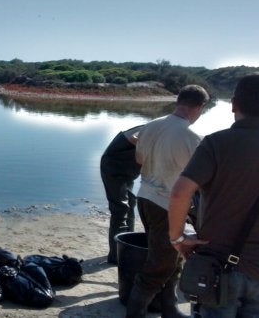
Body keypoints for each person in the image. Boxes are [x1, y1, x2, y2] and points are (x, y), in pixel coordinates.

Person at [168, 74, 259, 317]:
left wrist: (177, 238)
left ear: (233, 104)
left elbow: (179, 194)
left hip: (217, 265)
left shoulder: (216, 143)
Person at [126, 84, 209, 318]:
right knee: (159, 264)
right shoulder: (192, 138)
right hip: (167, 204)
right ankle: (135, 314)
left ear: (178, 101)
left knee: (171, 256)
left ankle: (169, 308)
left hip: (144, 197)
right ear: (200, 107)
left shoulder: (151, 125)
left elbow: (140, 159)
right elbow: (204, 179)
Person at [100, 124, 143, 264]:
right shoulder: (157, 129)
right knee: (120, 209)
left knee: (131, 204)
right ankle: (116, 256)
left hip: (127, 170)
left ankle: (128, 245)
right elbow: (134, 138)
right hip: (113, 167)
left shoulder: (164, 129)